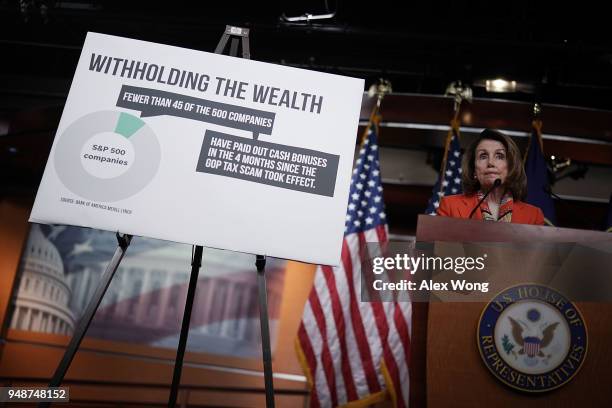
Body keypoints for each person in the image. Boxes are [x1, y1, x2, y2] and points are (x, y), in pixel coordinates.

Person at [437, 128, 545, 225]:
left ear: (511, 166)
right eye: (483, 156)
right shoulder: (450, 206)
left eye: (499, 156)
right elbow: (439, 246)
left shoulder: (533, 215)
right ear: (474, 169)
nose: (490, 163)